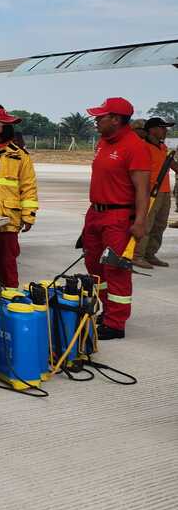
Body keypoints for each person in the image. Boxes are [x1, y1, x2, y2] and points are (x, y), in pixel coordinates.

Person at [82, 97, 150, 340]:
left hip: (118, 217)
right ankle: (106, 310)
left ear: (116, 119)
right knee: (94, 267)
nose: (96, 121)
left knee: (116, 270)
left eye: (101, 117)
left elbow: (142, 189)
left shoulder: (135, 146)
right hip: (95, 214)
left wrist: (140, 221)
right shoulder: (102, 142)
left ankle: (116, 322)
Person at [0, 106, 38, 290]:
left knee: (8, 265)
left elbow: (28, 187)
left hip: (8, 220)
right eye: (6, 124)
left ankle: (10, 299)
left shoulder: (20, 155)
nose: (11, 128)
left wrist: (29, 216)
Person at [133, 117, 176, 268]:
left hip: (164, 192)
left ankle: (150, 253)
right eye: (162, 127)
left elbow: (171, 164)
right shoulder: (142, 147)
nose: (166, 131)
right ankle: (137, 255)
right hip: (149, 193)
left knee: (160, 224)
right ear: (152, 130)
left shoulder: (162, 147)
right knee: (146, 224)